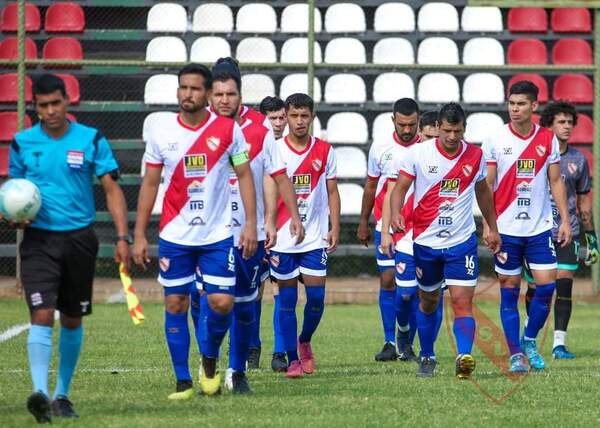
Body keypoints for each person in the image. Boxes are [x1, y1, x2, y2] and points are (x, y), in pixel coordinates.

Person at [8, 74, 130, 422]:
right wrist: (16, 218)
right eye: (43, 106)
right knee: (42, 314)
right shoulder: (22, 143)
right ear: (35, 108)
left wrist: (122, 237)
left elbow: (112, 190)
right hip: (38, 240)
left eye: (56, 103)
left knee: (72, 318)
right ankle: (40, 394)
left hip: (79, 238)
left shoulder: (91, 139)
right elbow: (14, 193)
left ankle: (62, 394)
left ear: (67, 102)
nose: (50, 111)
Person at [133, 64, 258, 399]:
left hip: (217, 235)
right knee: (175, 303)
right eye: (182, 88)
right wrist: (140, 234)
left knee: (221, 303)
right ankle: (183, 381)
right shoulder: (161, 131)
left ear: (206, 94)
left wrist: (249, 223)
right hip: (174, 236)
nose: (187, 94)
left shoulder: (229, 131)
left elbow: (245, 176)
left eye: (194, 89)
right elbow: (149, 183)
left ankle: (209, 359)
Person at [207, 58, 304, 392]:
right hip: (208, 231)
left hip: (248, 231)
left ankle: (237, 371)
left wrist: (280, 218)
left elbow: (275, 173)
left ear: (238, 91)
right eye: (218, 92)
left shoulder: (259, 129)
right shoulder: (198, 126)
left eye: (230, 91)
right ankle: (208, 363)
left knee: (246, 302)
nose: (224, 99)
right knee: (207, 301)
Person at [389, 103, 501, 378]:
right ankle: (427, 355)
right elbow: (399, 189)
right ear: (438, 127)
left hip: (461, 242)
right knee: (427, 301)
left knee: (462, 301)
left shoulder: (475, 156)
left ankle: (464, 358)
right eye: (447, 131)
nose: (452, 137)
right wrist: (394, 214)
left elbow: (483, 192)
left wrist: (492, 227)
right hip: (425, 242)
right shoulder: (418, 154)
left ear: (465, 129)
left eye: (458, 131)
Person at [482, 81, 572, 373]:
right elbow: (488, 184)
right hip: (505, 229)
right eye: (511, 103)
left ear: (534, 106)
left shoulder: (547, 140)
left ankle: (529, 340)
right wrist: (488, 224)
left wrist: (565, 220)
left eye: (521, 104)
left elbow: (556, 180)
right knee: (509, 289)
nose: (515, 109)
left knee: (546, 287)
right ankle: (515, 353)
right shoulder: (495, 139)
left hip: (538, 228)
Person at [269, 93, 340, 378]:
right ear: (285, 116)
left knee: (316, 299)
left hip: (314, 237)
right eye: (294, 116)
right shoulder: (275, 150)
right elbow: (269, 191)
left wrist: (334, 226)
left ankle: (305, 340)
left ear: (312, 117)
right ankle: (291, 359)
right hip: (283, 240)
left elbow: (332, 191)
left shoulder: (325, 150)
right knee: (285, 302)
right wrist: (269, 226)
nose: (299, 121)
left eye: (304, 116)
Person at [523, 101, 597, 359]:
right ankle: (528, 335)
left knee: (564, 286)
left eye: (570, 122)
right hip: (537, 232)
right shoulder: (536, 156)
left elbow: (584, 200)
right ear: (549, 125)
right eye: (561, 122)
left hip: (569, 231)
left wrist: (592, 239)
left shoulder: (579, 160)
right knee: (536, 289)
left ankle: (558, 344)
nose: (567, 127)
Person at [357, 99, 422, 362]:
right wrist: (363, 221)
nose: (407, 130)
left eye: (412, 124)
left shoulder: (426, 147)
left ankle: (407, 342)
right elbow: (371, 187)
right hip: (385, 225)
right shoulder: (380, 148)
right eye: (402, 124)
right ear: (393, 121)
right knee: (387, 280)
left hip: (417, 227)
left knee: (413, 289)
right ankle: (389, 341)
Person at [259, 95, 290, 370]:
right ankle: (251, 345)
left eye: (282, 118)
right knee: (253, 290)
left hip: (282, 231)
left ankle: (279, 352)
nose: (279, 123)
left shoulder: (292, 150)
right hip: (255, 227)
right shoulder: (253, 147)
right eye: (273, 118)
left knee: (281, 290)